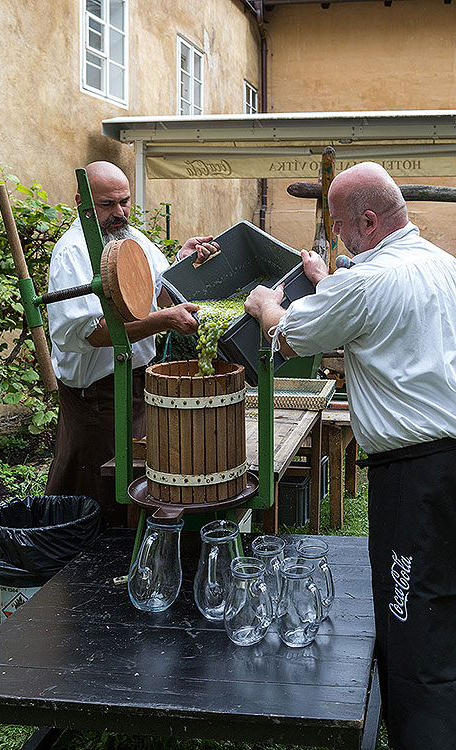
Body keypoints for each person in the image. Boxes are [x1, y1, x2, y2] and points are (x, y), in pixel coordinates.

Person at [245, 161, 456, 750]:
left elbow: (291, 334)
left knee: (411, 623)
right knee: (448, 604)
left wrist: (267, 305)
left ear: (367, 219)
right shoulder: (446, 267)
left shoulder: (362, 285)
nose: (337, 239)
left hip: (416, 478)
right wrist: (327, 276)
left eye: (340, 226)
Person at [45, 161, 219, 524]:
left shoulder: (134, 238)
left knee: (132, 477)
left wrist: (182, 262)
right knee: (94, 481)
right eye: (107, 205)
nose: (119, 213)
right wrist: (162, 321)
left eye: (124, 202)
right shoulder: (73, 253)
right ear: (82, 202)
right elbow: (90, 333)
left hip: (138, 382)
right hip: (96, 396)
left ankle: (124, 549)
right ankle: (83, 562)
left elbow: (159, 294)